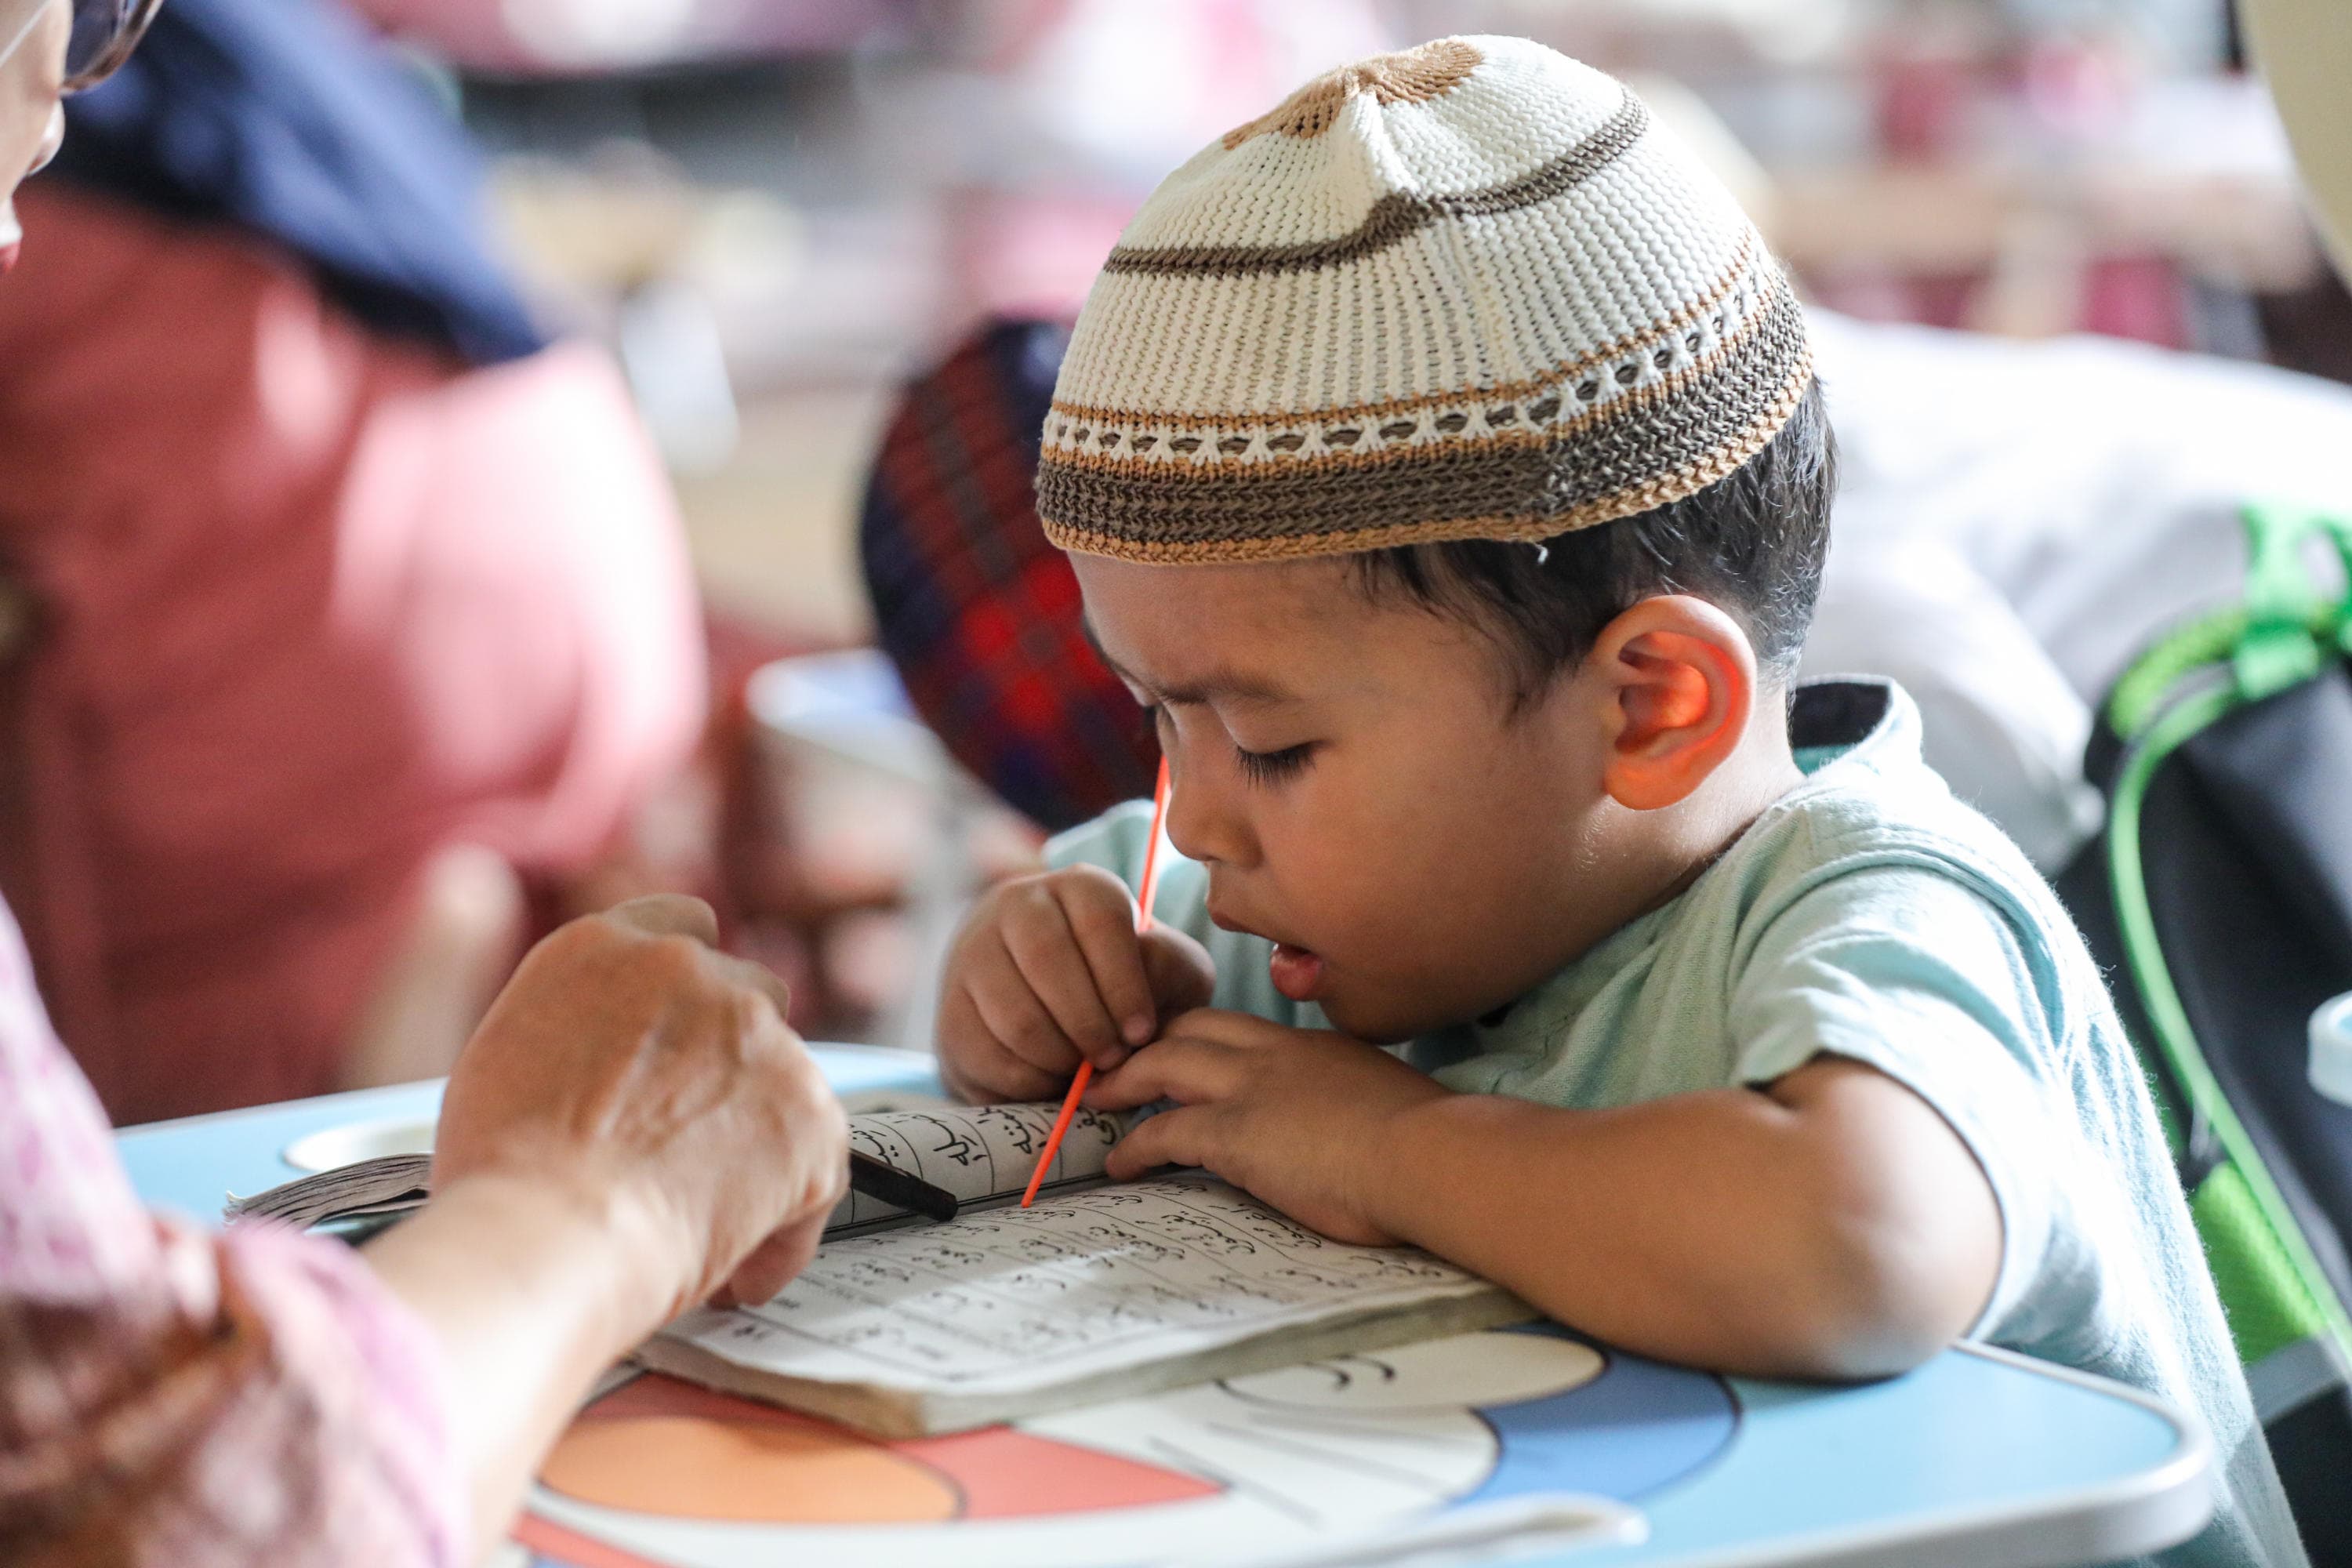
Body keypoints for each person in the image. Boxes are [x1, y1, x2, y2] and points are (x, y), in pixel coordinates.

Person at [933, 38, 2305, 1568]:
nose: (1192, 823)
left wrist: (1392, 1149)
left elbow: (1854, 1244)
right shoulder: (1310, 911)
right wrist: (1029, 973)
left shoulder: (1882, 905)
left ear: (1650, 706)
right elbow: (1069, 966)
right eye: (1156, 720)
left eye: (1271, 745)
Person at [0, 5, 848, 1563]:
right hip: (565, 590)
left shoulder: (63, 178)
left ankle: (405, 940)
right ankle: (430, 920)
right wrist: (588, 1205)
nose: (49, 120)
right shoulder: (240, 69)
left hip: (345, 689)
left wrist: (582, 1206)